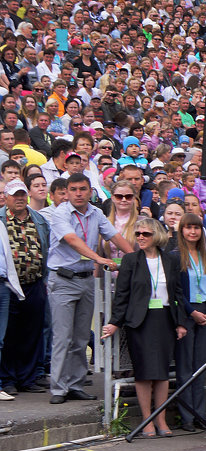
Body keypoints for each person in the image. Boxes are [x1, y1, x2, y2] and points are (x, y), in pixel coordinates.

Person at [47, 173, 134, 403]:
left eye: (82, 189)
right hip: (63, 279)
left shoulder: (96, 213)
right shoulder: (60, 214)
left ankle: (75, 384)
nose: (78, 193)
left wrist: (137, 258)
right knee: (63, 337)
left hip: (86, 280)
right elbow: (72, 240)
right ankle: (58, 388)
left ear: (90, 191)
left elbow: (115, 236)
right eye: (73, 189)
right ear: (66, 192)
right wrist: (99, 258)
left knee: (81, 337)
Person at [101, 218, 186, 436]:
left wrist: (180, 323)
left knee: (162, 373)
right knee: (144, 373)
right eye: (138, 233)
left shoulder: (170, 260)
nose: (140, 237)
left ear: (156, 236)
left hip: (164, 319)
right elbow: (122, 294)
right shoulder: (130, 260)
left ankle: (162, 420)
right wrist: (114, 322)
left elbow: (177, 293)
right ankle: (147, 421)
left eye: (145, 234)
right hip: (140, 321)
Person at [0, 179, 48, 396]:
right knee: (9, 334)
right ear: (6, 197)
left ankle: (28, 378)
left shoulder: (38, 219)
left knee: (32, 332)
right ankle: (8, 379)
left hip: (34, 283)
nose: (19, 199)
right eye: (14, 195)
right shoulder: (1, 219)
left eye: (22, 194)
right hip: (9, 285)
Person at [169, 213, 206, 432]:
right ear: (182, 231)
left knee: (201, 366)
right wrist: (191, 312)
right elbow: (176, 292)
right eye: (188, 228)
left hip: (205, 312)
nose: (192, 232)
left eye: (196, 228)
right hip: (187, 314)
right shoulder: (176, 256)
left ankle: (200, 414)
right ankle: (186, 416)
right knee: (185, 367)